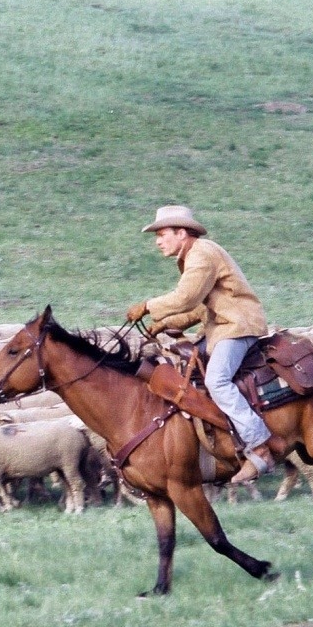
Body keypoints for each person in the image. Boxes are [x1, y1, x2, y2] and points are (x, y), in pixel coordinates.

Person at [126, 205, 282, 483]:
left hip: (236, 327)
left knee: (217, 381)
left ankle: (259, 447)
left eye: (162, 234)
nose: (158, 241)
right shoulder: (194, 256)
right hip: (220, 327)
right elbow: (198, 307)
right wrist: (166, 324)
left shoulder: (201, 255)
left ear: (182, 232)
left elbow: (186, 297)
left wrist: (148, 306)